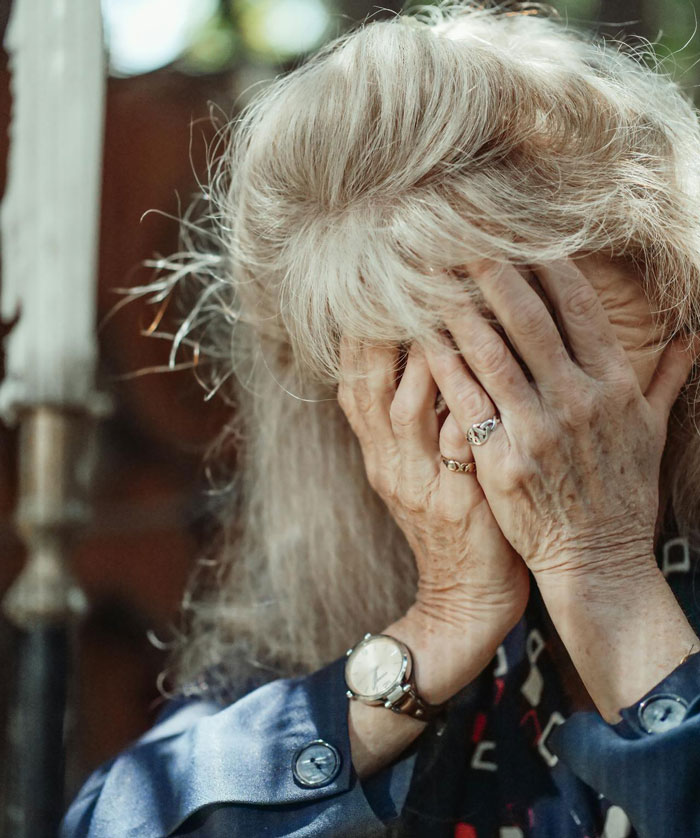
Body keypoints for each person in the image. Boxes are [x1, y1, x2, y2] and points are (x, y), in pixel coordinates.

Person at [61, 3, 700, 836]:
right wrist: (438, 630)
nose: (522, 437)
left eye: (552, 359)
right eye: (438, 381)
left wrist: (607, 582)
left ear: (676, 301)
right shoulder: (360, 568)